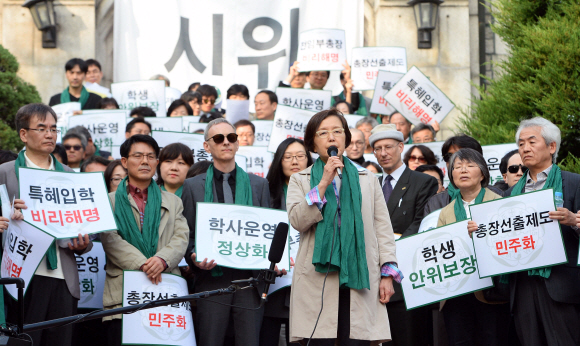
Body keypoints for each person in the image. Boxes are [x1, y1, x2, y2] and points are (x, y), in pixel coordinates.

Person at [287, 109, 401, 345]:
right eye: (324, 132)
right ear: (312, 142)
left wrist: (387, 274)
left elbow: (383, 228)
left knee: (356, 339)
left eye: (338, 131)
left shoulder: (367, 179)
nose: (332, 138)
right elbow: (298, 221)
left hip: (359, 276)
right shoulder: (301, 179)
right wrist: (322, 184)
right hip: (317, 278)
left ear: (346, 138)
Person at [0, 104, 92, 346]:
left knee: (60, 339)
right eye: (41, 129)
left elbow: (83, 226)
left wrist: (82, 244)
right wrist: (7, 217)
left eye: (53, 129)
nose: (50, 134)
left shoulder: (70, 175)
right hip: (21, 274)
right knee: (22, 341)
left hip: (63, 274)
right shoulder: (5, 173)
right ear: (23, 134)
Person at [181, 118, 270, 346]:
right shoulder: (192, 186)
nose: (226, 142)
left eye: (231, 137)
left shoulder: (259, 185)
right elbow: (187, 234)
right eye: (218, 138)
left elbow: (268, 232)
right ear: (207, 146)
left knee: (249, 341)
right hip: (211, 278)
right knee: (210, 340)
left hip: (250, 281)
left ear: (238, 143)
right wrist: (193, 256)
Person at [100, 135, 189, 346]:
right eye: (138, 156)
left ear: (157, 163)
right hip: (123, 293)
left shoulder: (174, 201)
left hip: (164, 291)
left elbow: (181, 237)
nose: (145, 161)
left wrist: (162, 260)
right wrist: (143, 263)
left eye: (150, 156)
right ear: (124, 161)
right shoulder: (108, 201)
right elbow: (110, 239)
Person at [500, 117, 580, 346]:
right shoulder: (509, 195)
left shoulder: (574, 183)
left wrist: (574, 220)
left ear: (551, 146)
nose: (525, 148)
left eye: (531, 142)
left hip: (562, 286)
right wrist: (481, 230)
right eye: (521, 143)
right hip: (522, 286)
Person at [369, 123, 438, 346]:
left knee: (409, 337)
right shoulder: (370, 184)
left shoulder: (423, 181)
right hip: (372, 276)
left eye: (388, 147)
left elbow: (419, 224)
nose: (383, 153)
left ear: (401, 146)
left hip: (407, 276)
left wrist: (389, 264)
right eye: (377, 148)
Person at [437, 148, 510, 346]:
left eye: (470, 165)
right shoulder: (446, 212)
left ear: (483, 173)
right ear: (451, 175)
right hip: (457, 293)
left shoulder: (500, 203)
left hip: (492, 291)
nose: (463, 170)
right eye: (457, 167)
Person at [261, 138, 312, 346]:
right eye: (288, 157)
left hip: (307, 278)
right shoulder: (266, 192)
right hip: (273, 278)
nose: (294, 161)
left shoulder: (319, 191)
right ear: (278, 161)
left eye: (300, 156)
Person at [424, 135, 504, 215]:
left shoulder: (497, 196)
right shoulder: (435, 202)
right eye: (449, 156)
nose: (455, 160)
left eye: (464, 157)